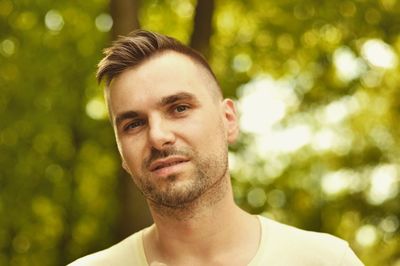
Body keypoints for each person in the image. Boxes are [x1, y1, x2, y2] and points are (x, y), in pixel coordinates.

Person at [69, 30, 364, 266]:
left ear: (228, 120)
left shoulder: (327, 260)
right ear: (121, 154)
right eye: (133, 124)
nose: (158, 137)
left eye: (179, 108)